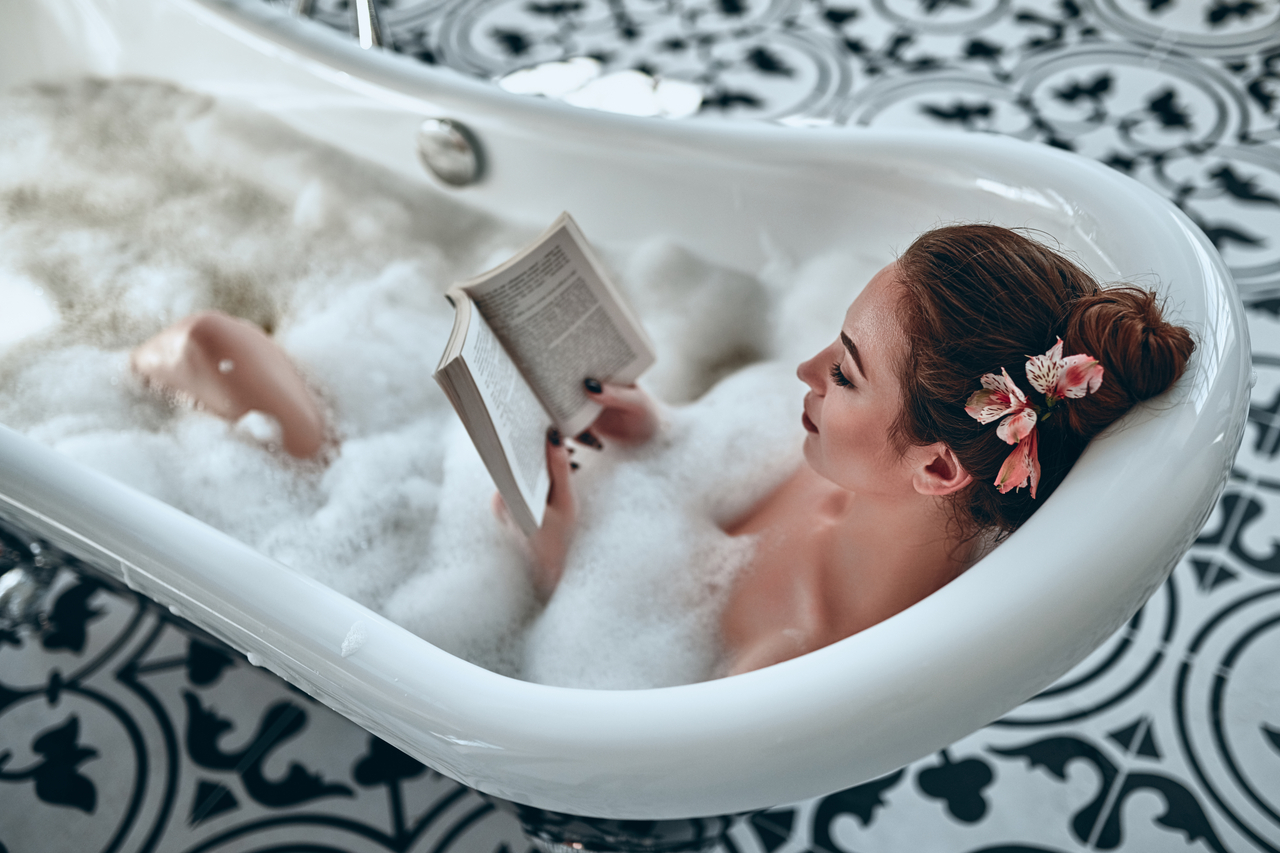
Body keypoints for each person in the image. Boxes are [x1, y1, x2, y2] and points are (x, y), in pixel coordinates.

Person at [515, 224, 1196, 676]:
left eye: (843, 372)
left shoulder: (790, 652)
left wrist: (553, 539)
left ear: (937, 466)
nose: (805, 370)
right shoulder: (872, 473)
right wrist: (660, 434)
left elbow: (574, 673)